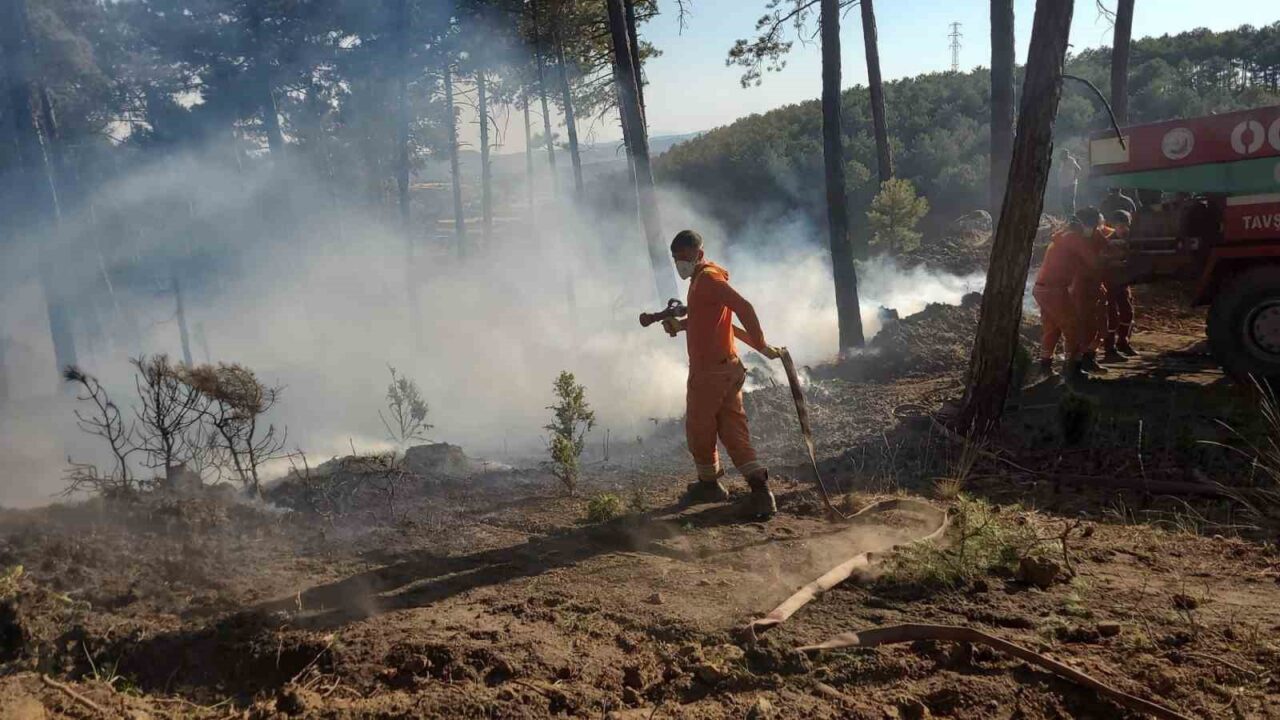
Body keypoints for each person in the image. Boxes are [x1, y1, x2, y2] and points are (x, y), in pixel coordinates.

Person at [662, 230, 781, 519]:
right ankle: (761, 491)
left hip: (710, 374)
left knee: (699, 429)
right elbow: (708, 319)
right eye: (676, 259)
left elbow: (744, 307)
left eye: (685, 258)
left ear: (698, 254)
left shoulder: (709, 279)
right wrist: (680, 326)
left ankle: (709, 485)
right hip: (728, 370)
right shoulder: (701, 280)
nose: (681, 264)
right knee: (733, 429)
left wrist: (761, 343)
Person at [1033, 208, 1105, 382]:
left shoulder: (1064, 235)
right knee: (1072, 327)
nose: (1094, 230)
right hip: (1054, 289)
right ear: (1087, 224)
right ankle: (1072, 369)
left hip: (1043, 288)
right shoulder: (1075, 239)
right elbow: (1094, 262)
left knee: (1052, 328)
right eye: (1094, 226)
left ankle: (1045, 368)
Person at [1103, 210, 1138, 360]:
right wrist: (1115, 262)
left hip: (1122, 283)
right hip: (1109, 283)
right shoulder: (1107, 241)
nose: (1124, 229)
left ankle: (1123, 342)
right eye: (1120, 226)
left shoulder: (1132, 240)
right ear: (1115, 226)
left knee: (1127, 312)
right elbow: (1102, 261)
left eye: (1126, 226)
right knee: (1111, 316)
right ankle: (1109, 349)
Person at [1058, 149, 1082, 217]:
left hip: (1071, 184)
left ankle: (1072, 216)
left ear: (1066, 155)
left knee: (1070, 200)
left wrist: (1074, 178)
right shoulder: (1062, 162)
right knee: (1064, 201)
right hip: (1063, 184)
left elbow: (1078, 169)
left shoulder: (1071, 161)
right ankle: (1067, 215)